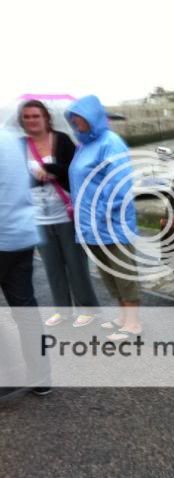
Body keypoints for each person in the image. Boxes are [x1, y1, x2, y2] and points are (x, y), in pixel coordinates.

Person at [65, 95, 141, 341]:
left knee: (122, 273)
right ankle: (122, 318)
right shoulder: (83, 146)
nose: (75, 121)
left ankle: (133, 324)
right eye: (73, 117)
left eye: (79, 116)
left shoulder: (111, 142)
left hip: (112, 225)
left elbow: (120, 185)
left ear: (92, 116)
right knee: (108, 275)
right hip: (90, 227)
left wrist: (99, 217)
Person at [19, 100, 100, 327]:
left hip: (66, 212)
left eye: (36, 116)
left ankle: (88, 308)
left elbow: (76, 172)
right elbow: (14, 179)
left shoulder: (62, 140)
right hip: (37, 216)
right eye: (27, 117)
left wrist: (52, 171)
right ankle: (63, 310)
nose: (32, 120)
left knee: (76, 263)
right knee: (52, 267)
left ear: (46, 117)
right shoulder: (19, 145)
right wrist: (36, 177)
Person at [0, 128, 51, 399]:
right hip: (21, 234)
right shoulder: (10, 138)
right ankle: (41, 378)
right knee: (26, 310)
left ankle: (6, 376)